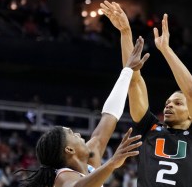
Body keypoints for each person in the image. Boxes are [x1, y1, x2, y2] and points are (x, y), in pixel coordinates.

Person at [101, 1, 192, 187]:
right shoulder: (149, 128)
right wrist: (125, 32)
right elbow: (133, 80)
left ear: (191, 114)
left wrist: (166, 50)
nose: (169, 105)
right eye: (168, 102)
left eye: (178, 103)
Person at [17, 37, 150, 187]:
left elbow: (109, 116)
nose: (79, 135)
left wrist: (127, 72)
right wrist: (111, 163)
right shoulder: (62, 177)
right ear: (69, 149)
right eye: (72, 134)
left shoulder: (90, 163)